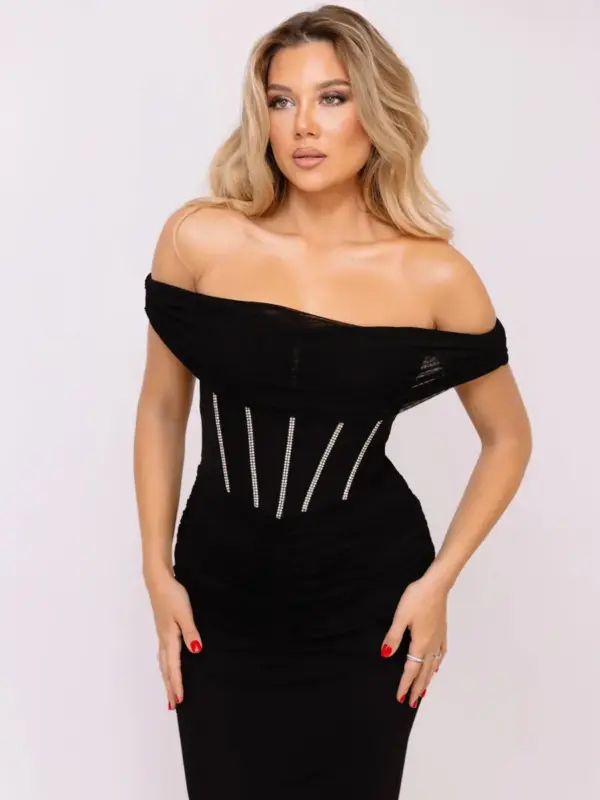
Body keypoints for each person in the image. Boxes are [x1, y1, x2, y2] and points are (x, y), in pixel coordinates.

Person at [133, 5, 532, 799]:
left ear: (374, 111)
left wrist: (438, 582)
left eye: (332, 98)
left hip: (365, 604)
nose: (303, 126)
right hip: (217, 593)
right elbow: (162, 410)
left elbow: (508, 438)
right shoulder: (199, 239)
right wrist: (156, 570)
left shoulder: (433, 275)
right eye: (281, 101)